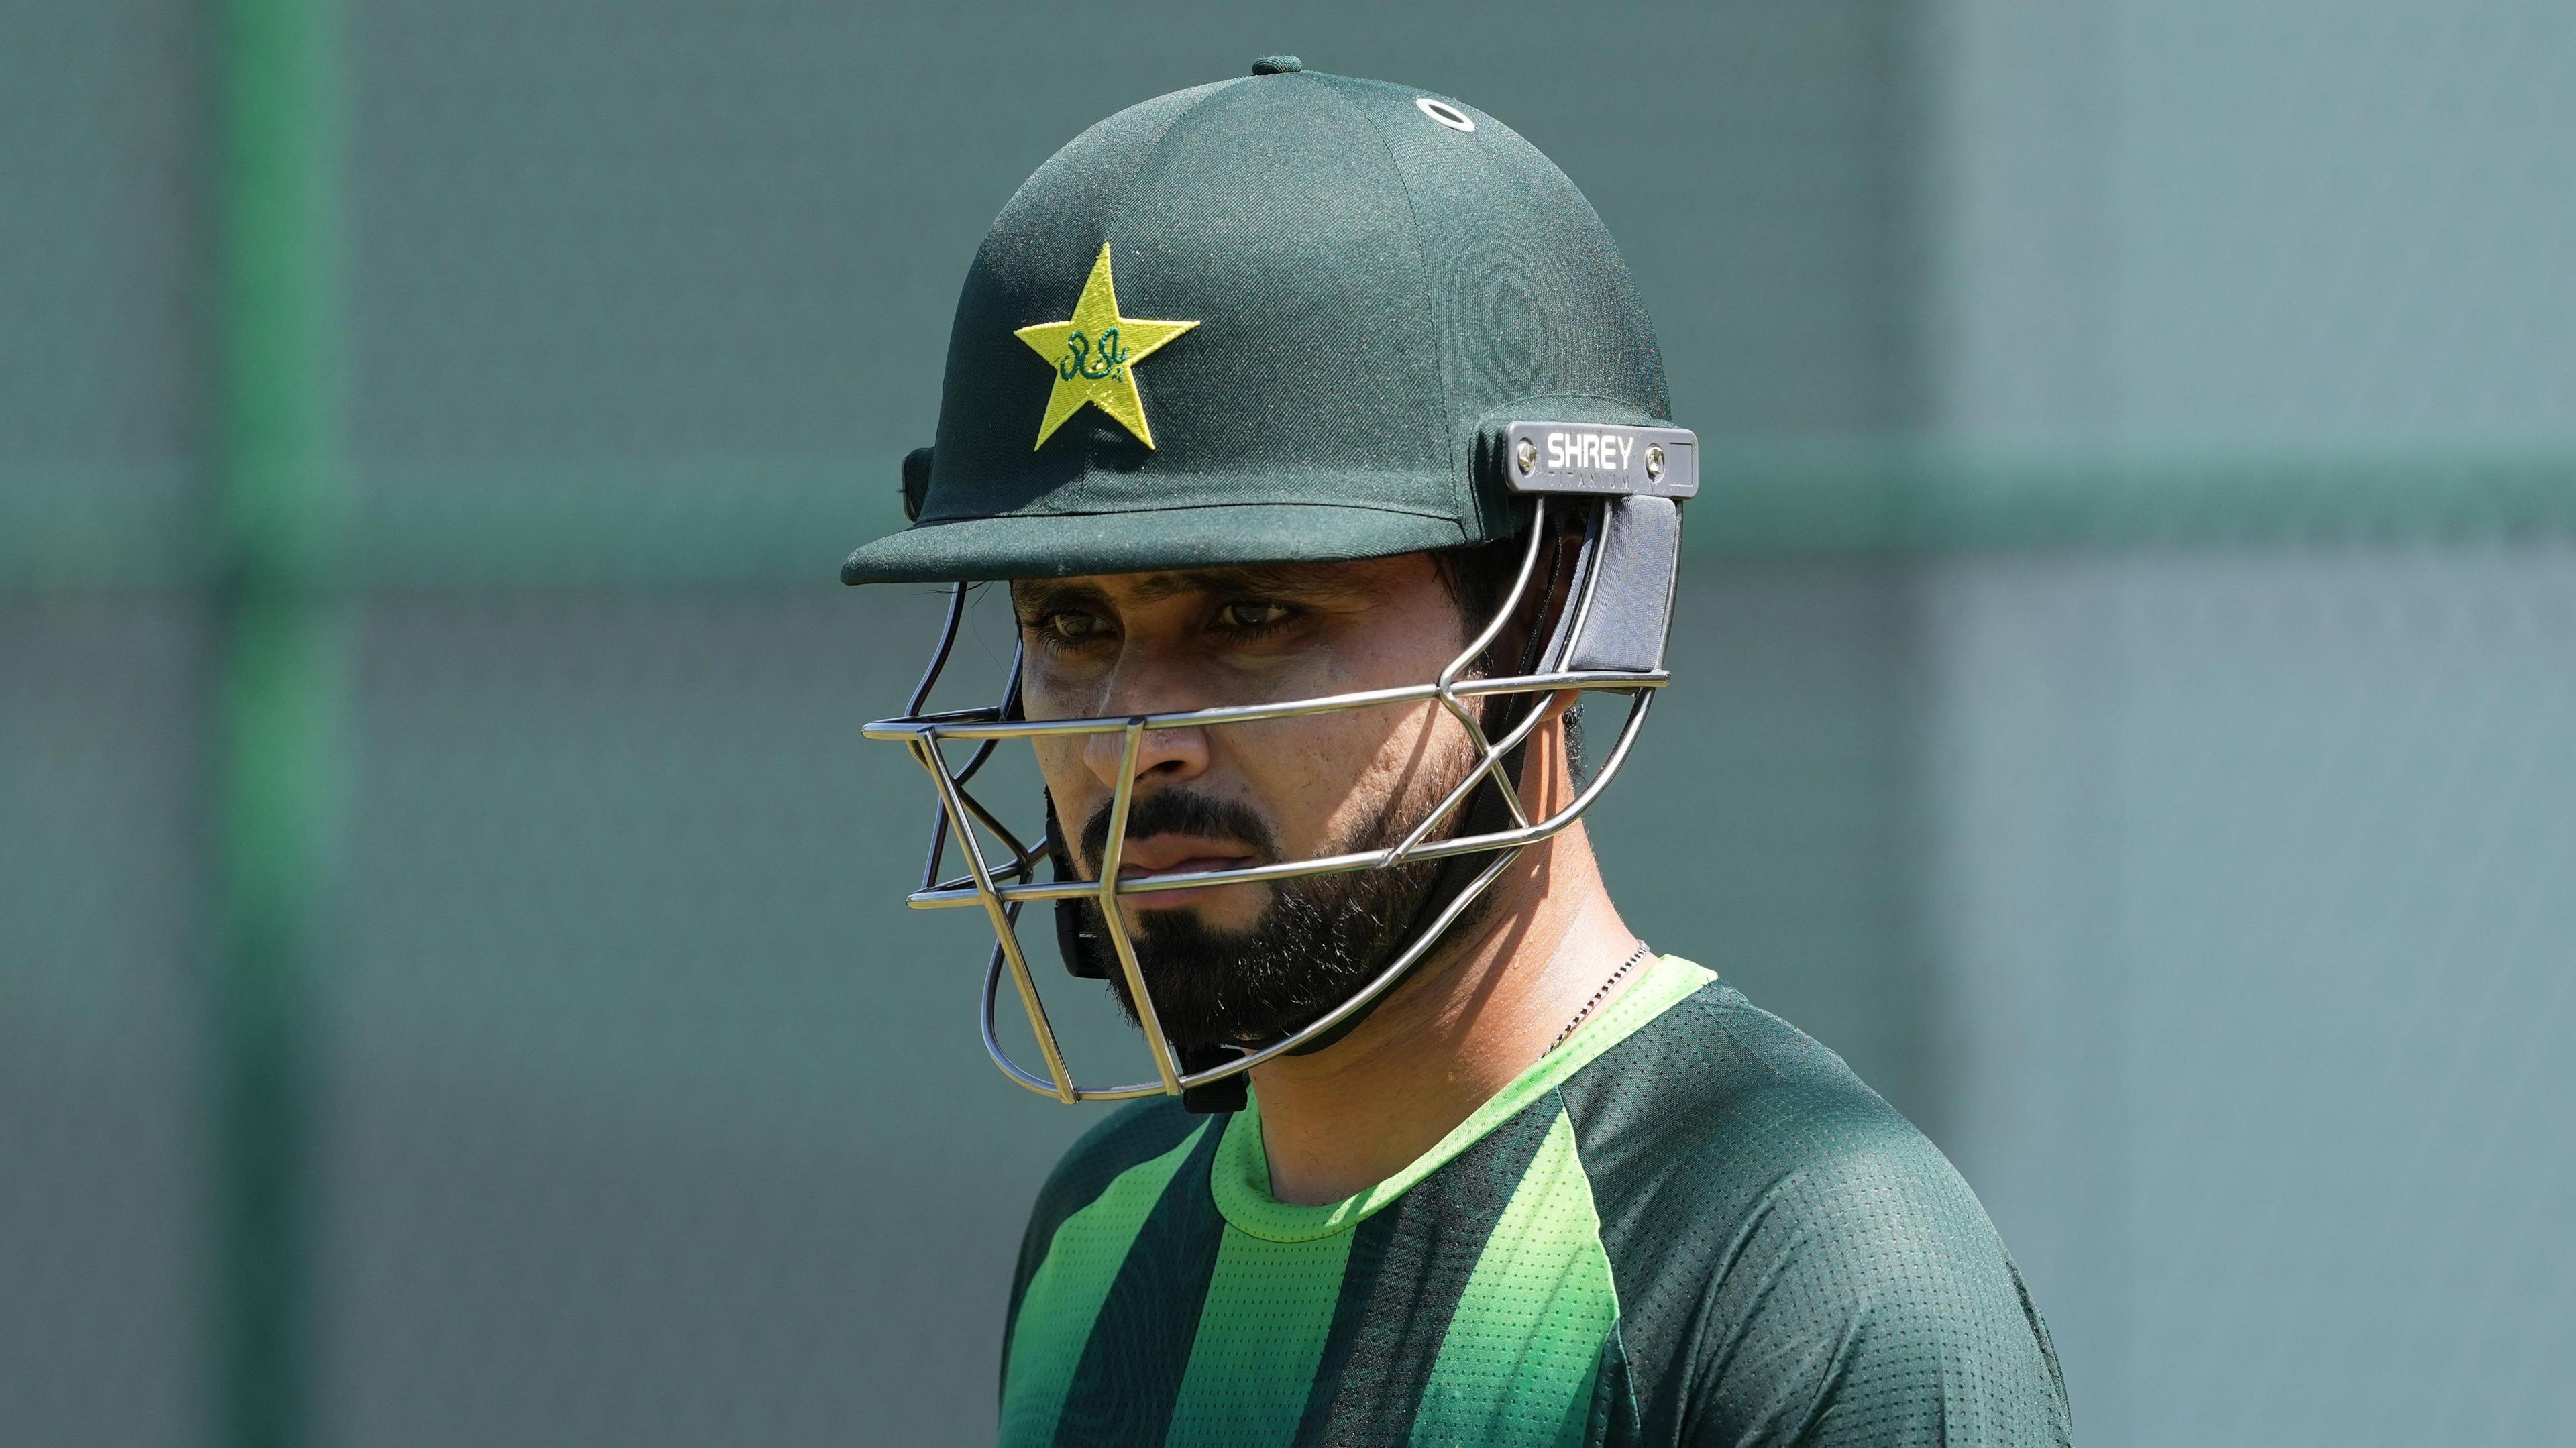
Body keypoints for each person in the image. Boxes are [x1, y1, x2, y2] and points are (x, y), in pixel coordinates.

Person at [844, 58, 2072, 1447]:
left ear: (1545, 619)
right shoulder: (1100, 1239)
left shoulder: (1797, 1271)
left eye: (1252, 614)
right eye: (1071, 620)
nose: (1140, 738)